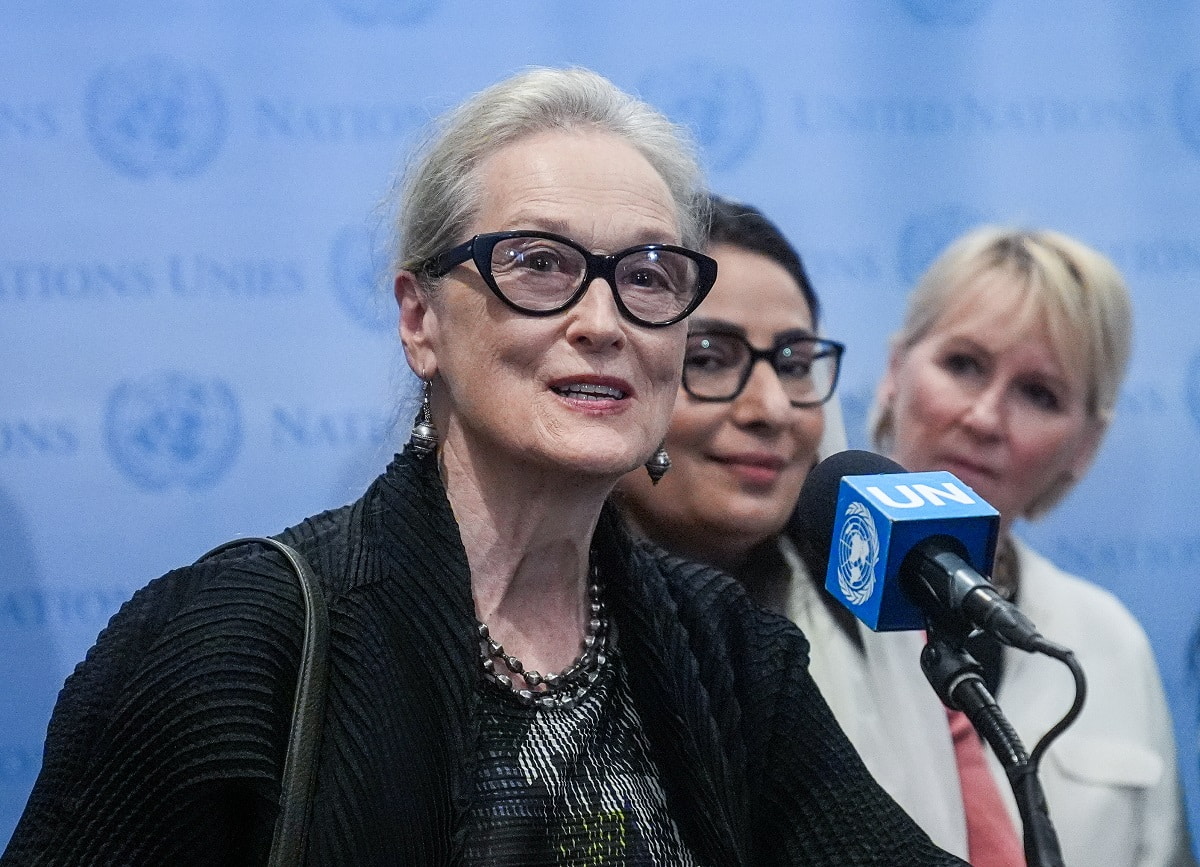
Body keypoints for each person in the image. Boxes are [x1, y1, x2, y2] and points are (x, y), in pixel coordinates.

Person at [1, 69, 963, 866]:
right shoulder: (233, 642)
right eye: (540, 264)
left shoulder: (729, 653)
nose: (603, 321)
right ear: (421, 320)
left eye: (647, 277)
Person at [618, 196, 1014, 864]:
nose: (771, 407)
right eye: (710, 357)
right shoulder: (531, 640)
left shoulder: (887, 620)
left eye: (796, 362)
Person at [870, 225, 1195, 867]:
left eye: (1037, 394)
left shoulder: (1108, 641)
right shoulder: (782, 603)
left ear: (1084, 448)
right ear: (894, 373)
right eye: (963, 364)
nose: (985, 417)